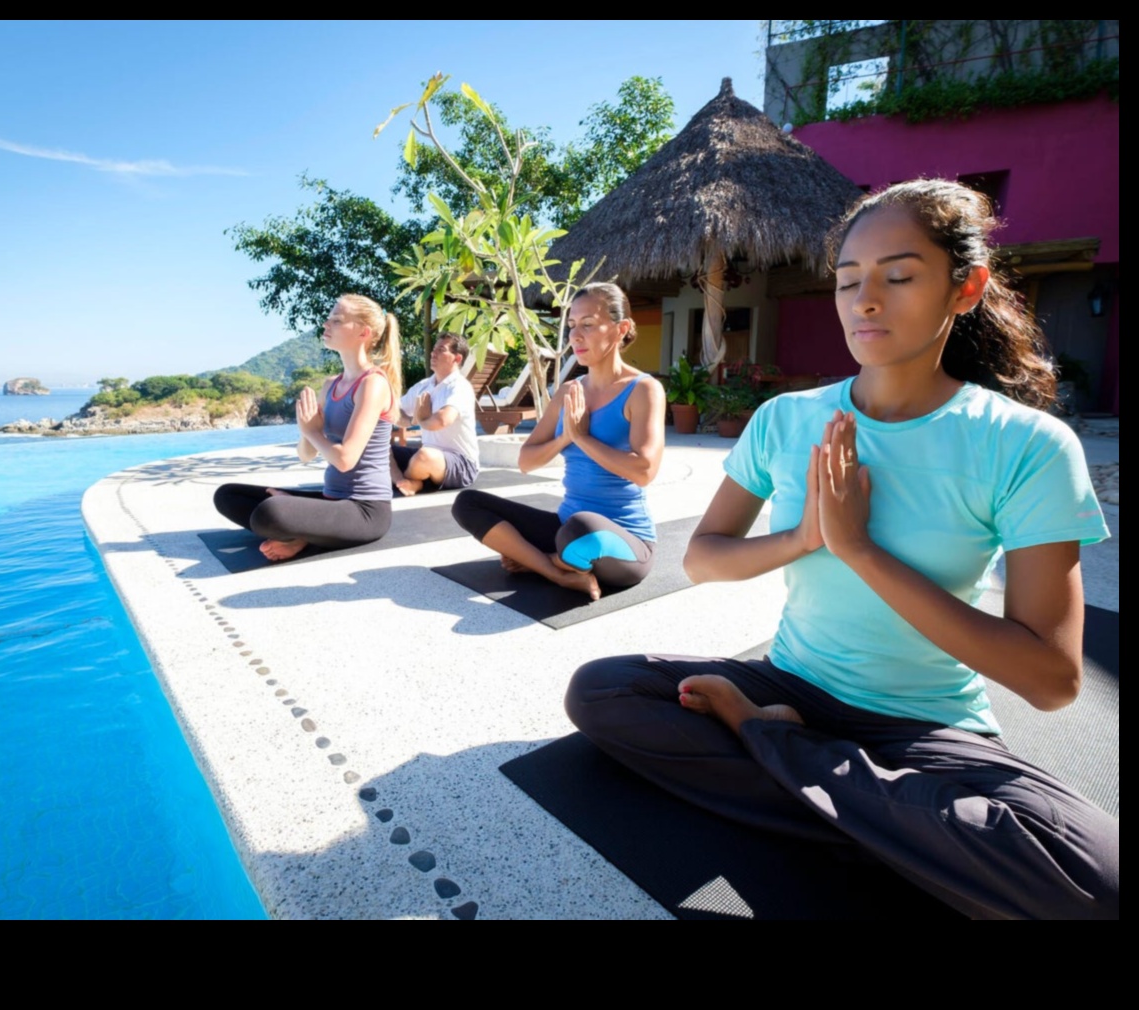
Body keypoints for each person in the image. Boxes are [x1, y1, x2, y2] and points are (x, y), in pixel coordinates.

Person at [565, 180, 1118, 919]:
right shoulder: (787, 418)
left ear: (966, 289)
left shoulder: (1024, 444)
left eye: (899, 276)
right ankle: (882, 818)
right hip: (792, 683)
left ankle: (783, 755)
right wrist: (803, 538)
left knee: (1095, 884)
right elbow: (702, 559)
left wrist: (860, 550)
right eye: (849, 280)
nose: (865, 301)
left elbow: (1052, 679)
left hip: (925, 726)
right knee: (602, 691)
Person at [451, 282, 665, 600]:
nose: (575, 336)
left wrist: (582, 436)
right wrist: (564, 436)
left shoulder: (643, 389)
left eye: (588, 325)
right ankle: (555, 570)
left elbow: (644, 470)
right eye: (572, 326)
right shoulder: (569, 391)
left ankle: (541, 561)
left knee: (582, 530)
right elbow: (527, 461)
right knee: (467, 503)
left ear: (620, 329)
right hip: (565, 529)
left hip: (621, 542)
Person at [213, 294, 402, 561]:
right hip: (331, 500)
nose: (326, 324)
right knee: (229, 495)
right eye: (328, 319)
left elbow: (346, 460)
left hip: (366, 511)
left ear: (364, 332)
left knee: (272, 513)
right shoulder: (330, 385)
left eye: (336, 320)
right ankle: (298, 530)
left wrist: (313, 431)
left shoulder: (374, 384)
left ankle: (297, 537)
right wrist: (307, 429)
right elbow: (306, 455)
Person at [390, 333, 480, 495]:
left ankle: (413, 483)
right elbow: (393, 409)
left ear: (457, 359)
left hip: (462, 464)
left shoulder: (459, 387)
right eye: (433, 349)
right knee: (378, 448)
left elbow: (441, 421)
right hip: (426, 459)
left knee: (424, 456)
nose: (433, 353)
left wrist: (421, 417)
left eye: (441, 350)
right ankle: (406, 481)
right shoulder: (424, 385)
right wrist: (411, 421)